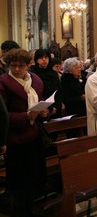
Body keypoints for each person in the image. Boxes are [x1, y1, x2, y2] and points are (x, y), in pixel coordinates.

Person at [0, 48, 48, 216]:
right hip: (16, 139)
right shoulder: (4, 82)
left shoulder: (35, 80)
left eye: (21, 66)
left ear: (29, 65)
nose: (17, 69)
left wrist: (44, 111)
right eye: (13, 66)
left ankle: (33, 207)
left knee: (34, 177)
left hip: (34, 136)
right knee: (20, 182)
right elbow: (2, 115)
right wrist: (25, 116)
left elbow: (40, 101)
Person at [30, 49, 63, 119]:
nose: (44, 60)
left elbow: (59, 91)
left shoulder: (53, 73)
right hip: (41, 108)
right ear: (36, 59)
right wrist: (49, 109)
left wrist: (56, 107)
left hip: (56, 107)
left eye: (46, 57)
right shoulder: (33, 74)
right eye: (41, 58)